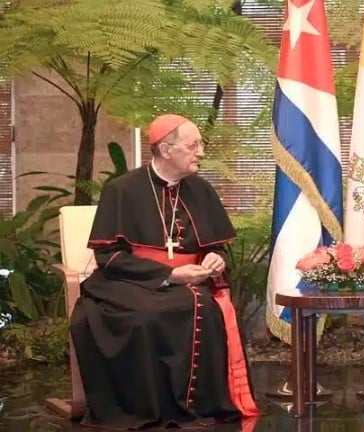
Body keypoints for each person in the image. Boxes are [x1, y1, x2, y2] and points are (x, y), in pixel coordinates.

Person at [70, 114, 260, 429]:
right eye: (193, 145)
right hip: (129, 280)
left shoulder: (201, 189)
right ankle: (148, 407)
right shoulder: (122, 189)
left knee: (204, 306)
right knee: (146, 314)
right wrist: (169, 275)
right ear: (166, 150)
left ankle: (196, 406)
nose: (201, 152)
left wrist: (214, 257)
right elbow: (109, 255)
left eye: (201, 144)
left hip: (191, 282)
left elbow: (216, 245)